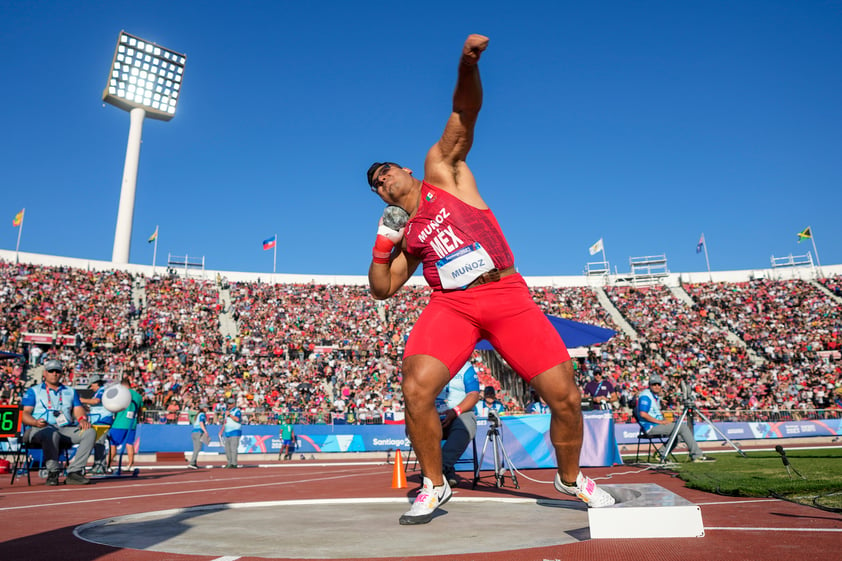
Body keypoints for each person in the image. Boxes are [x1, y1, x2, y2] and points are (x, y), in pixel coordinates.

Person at [366, 33, 614, 525]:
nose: (381, 181)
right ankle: (435, 486)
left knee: (565, 395)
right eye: (375, 185)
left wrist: (466, 64)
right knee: (416, 388)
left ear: (407, 171)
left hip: (503, 291)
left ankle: (570, 477)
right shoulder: (404, 233)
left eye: (386, 172)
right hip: (451, 305)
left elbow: (463, 114)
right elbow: (384, 287)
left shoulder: (443, 173)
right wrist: (381, 244)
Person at [20, 359, 96, 485]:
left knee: (90, 432)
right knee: (50, 433)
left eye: (57, 371)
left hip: (64, 429)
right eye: (51, 371)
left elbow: (78, 410)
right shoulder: (33, 391)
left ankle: (74, 472)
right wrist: (35, 422)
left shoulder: (70, 391)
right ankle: (53, 472)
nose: (54, 374)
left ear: (61, 373)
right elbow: (24, 414)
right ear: (45, 373)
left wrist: (82, 419)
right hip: (39, 429)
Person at [634, 374, 715, 463]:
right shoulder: (645, 396)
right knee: (682, 427)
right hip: (650, 427)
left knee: (679, 433)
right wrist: (660, 421)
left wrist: (663, 419)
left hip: (655, 424)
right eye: (654, 384)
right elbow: (643, 414)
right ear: (649, 385)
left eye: (658, 384)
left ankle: (661, 453)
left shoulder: (653, 396)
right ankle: (697, 455)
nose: (657, 386)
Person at [436, 362, 481, 488]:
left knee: (465, 426)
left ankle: (436, 471)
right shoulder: (430, 363)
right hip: (433, 414)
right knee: (415, 427)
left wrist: (455, 411)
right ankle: (446, 473)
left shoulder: (466, 367)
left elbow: (474, 394)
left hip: (460, 412)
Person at [79, 374, 113, 474]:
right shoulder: (99, 391)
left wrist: (82, 400)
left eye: (92, 386)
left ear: (96, 383)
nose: (91, 388)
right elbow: (95, 405)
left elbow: (96, 401)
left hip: (102, 420)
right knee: (98, 444)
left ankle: (99, 466)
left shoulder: (101, 391)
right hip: (98, 420)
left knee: (99, 444)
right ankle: (99, 465)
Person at [108, 377, 143, 472]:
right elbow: (140, 411)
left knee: (113, 445)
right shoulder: (138, 396)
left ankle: (108, 465)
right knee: (129, 444)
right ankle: (130, 464)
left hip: (119, 423)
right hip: (132, 424)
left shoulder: (121, 393)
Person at [220, 398, 242, 468]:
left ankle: (234, 463)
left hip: (235, 431)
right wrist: (222, 430)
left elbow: (237, 419)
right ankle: (229, 462)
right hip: (227, 432)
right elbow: (225, 421)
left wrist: (229, 415)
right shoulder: (227, 411)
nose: (228, 405)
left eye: (230, 403)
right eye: (228, 403)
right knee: (227, 449)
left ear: (233, 404)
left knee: (233, 448)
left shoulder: (237, 411)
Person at [188, 402, 210, 469]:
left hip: (194, 432)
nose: (207, 409)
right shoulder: (202, 414)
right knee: (197, 448)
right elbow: (201, 423)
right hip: (198, 432)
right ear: (203, 408)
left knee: (196, 448)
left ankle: (194, 462)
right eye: (206, 408)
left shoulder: (198, 414)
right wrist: (205, 431)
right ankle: (192, 463)